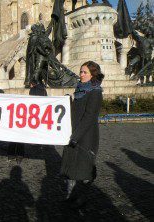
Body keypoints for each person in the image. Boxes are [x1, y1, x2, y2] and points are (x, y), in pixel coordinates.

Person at [60, 61, 104, 209]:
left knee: (84, 168)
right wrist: (69, 101)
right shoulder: (79, 89)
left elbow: (89, 117)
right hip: (74, 132)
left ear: (92, 74)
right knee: (72, 165)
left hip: (86, 136)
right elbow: (75, 111)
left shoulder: (95, 91)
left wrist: (75, 137)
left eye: (84, 72)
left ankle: (83, 196)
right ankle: (71, 194)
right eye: (81, 72)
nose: (81, 75)